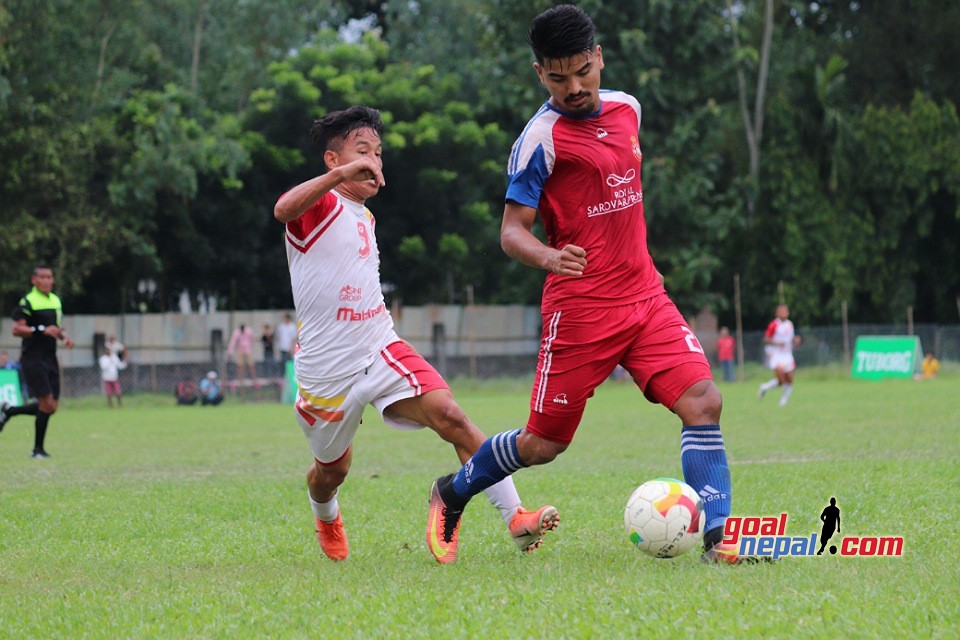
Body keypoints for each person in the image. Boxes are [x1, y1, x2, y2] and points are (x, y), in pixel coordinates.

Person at [425, 5, 754, 565]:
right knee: (543, 444)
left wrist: (635, 258)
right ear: (539, 74)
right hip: (580, 310)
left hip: (646, 297)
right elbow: (510, 232)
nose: (574, 87)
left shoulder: (629, 110)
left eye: (583, 70)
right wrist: (551, 257)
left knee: (704, 400)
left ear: (599, 57)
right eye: (558, 78)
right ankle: (451, 491)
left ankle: (719, 537)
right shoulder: (539, 140)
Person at [274, 105, 556, 563]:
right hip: (326, 370)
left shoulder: (364, 217)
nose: (374, 161)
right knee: (332, 471)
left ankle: (516, 517)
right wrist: (341, 175)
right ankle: (325, 514)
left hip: (379, 346)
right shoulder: (320, 205)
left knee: (452, 417)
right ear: (333, 161)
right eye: (361, 151)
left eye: (378, 153)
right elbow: (283, 208)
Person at [0, 266, 75, 458]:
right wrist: (40, 329)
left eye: (49, 277)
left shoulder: (55, 300)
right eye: (42, 277)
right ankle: (37, 450)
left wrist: (64, 337)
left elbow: (57, 327)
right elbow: (17, 329)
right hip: (33, 357)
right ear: (34, 280)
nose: (47, 281)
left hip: (50, 357)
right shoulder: (28, 301)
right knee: (45, 403)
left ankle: (10, 410)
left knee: (51, 407)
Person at [757, 304, 801, 406]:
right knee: (781, 380)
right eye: (781, 312)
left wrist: (796, 341)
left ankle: (783, 401)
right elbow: (766, 339)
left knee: (789, 378)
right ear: (777, 313)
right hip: (776, 355)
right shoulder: (774, 325)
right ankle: (764, 387)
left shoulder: (790, 324)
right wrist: (777, 343)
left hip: (787, 354)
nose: (784, 313)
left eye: (786, 311)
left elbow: (791, 339)